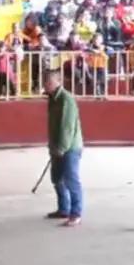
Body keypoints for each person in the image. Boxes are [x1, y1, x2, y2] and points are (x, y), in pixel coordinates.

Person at [44, 69, 84, 226]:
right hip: (57, 146)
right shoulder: (52, 99)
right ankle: (63, 209)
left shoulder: (66, 100)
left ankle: (76, 213)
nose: (46, 85)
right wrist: (53, 146)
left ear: (58, 82)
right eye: (45, 82)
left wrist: (61, 148)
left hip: (70, 147)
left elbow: (67, 127)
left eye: (49, 82)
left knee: (71, 179)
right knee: (57, 178)